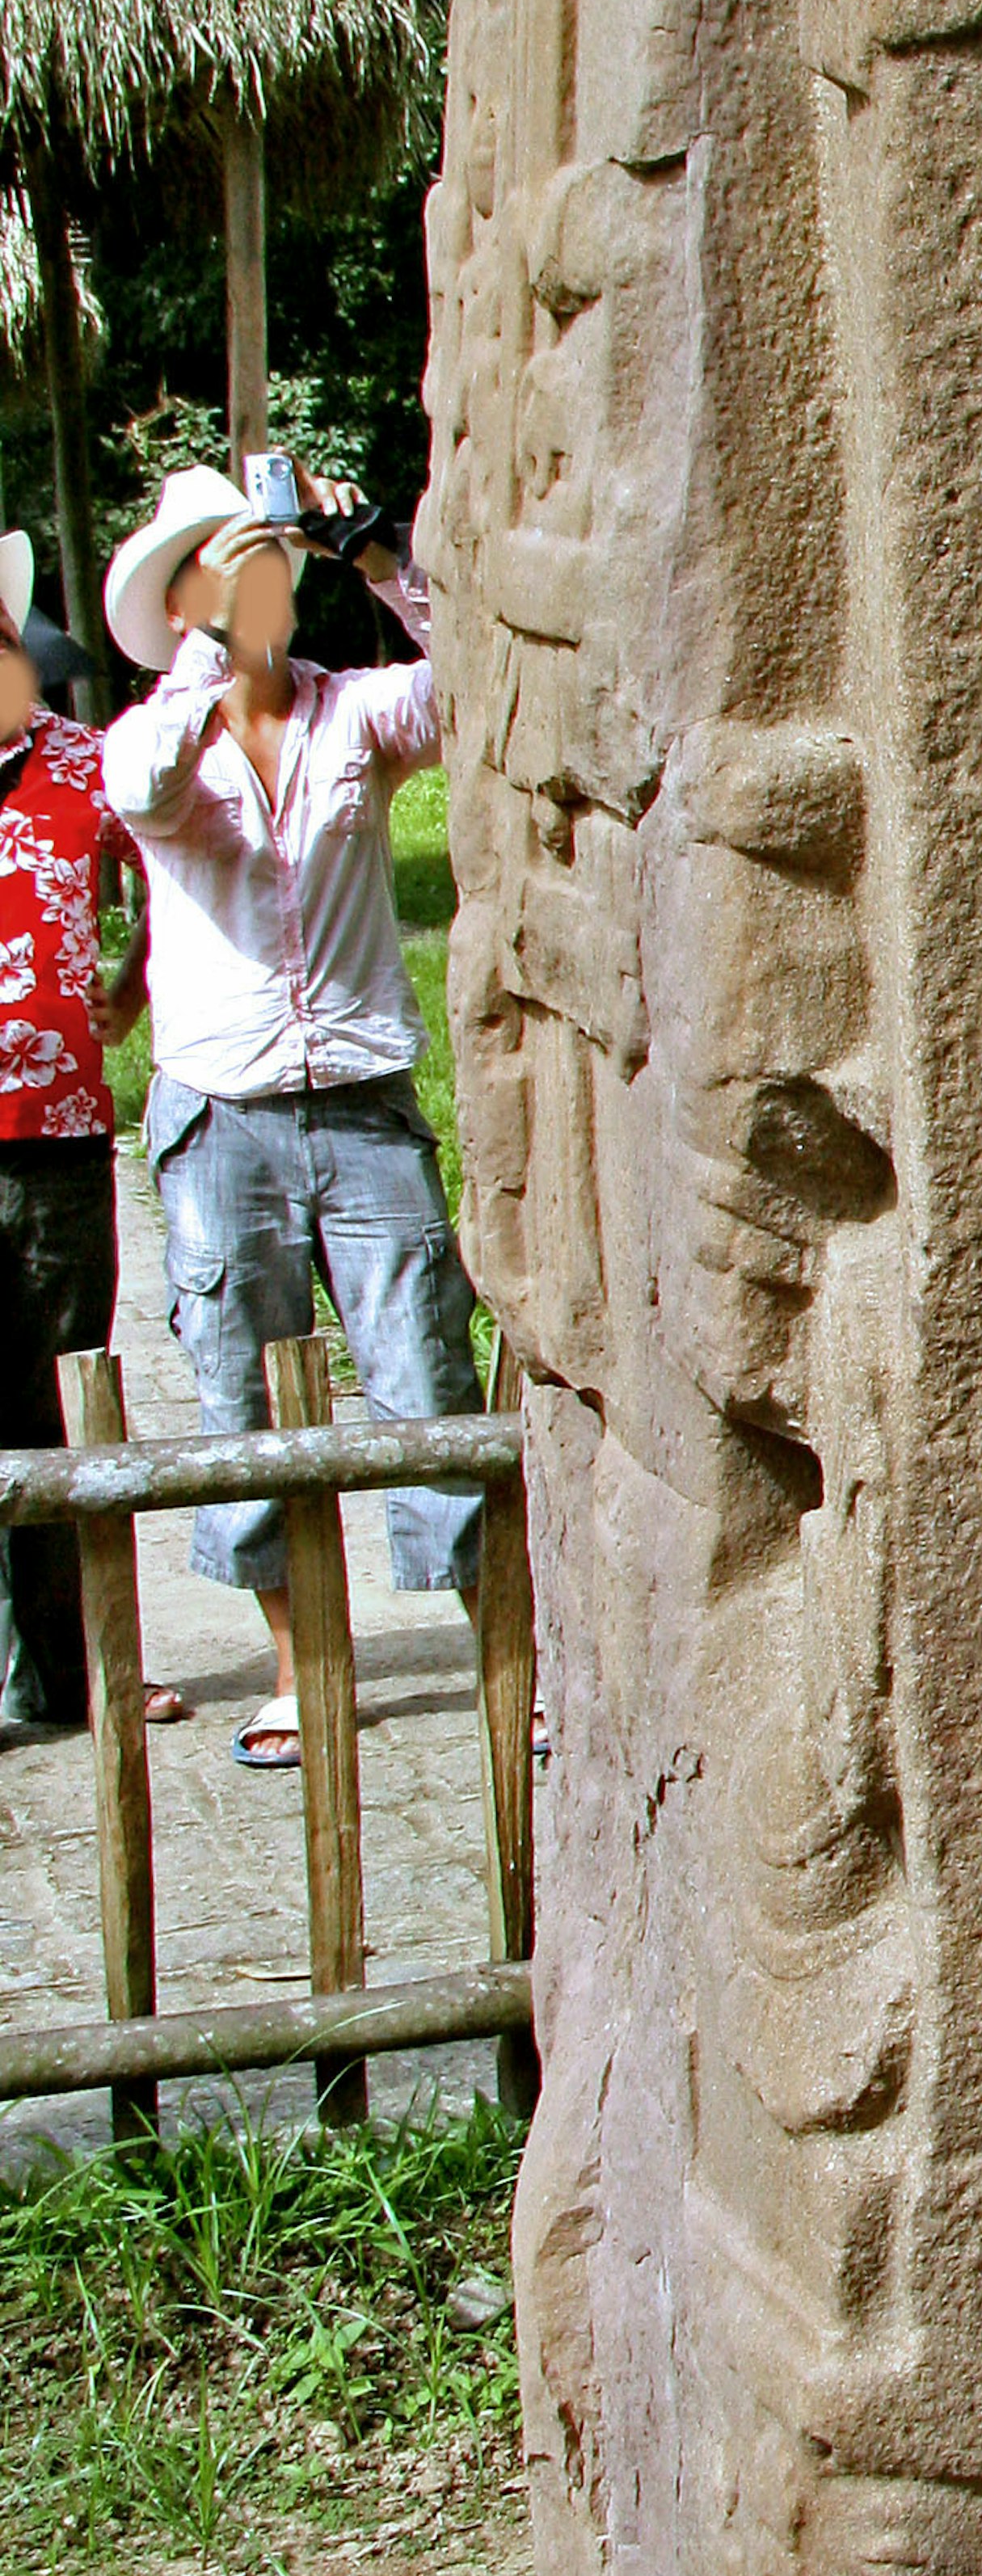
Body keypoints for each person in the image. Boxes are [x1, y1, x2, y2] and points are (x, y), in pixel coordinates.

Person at [102, 461, 487, 1770]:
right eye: (230, 566)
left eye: (270, 561)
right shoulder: (160, 735)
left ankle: (505, 1652)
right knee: (247, 1395)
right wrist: (216, 644)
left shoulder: (354, 717)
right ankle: (297, 1671)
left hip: (364, 1103)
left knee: (426, 1375)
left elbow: (479, 693)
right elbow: (144, 786)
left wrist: (376, 553)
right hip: (221, 1113)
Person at [0, 528, 152, 1734]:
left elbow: (179, 860)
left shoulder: (90, 764)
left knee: (63, 1398)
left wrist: (139, 973)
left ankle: (80, 1668)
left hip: (55, 1132)